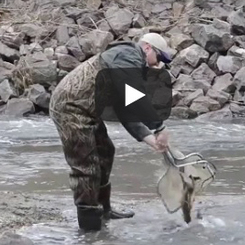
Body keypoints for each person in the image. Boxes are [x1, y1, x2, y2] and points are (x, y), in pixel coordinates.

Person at [49, 33, 173, 231]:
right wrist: (159, 126)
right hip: (71, 108)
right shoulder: (128, 54)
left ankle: (104, 210)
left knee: (106, 151)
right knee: (86, 165)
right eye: (159, 58)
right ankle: (90, 228)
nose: (157, 64)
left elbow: (126, 109)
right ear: (148, 48)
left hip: (86, 109)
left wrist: (152, 140)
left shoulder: (125, 65)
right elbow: (134, 96)